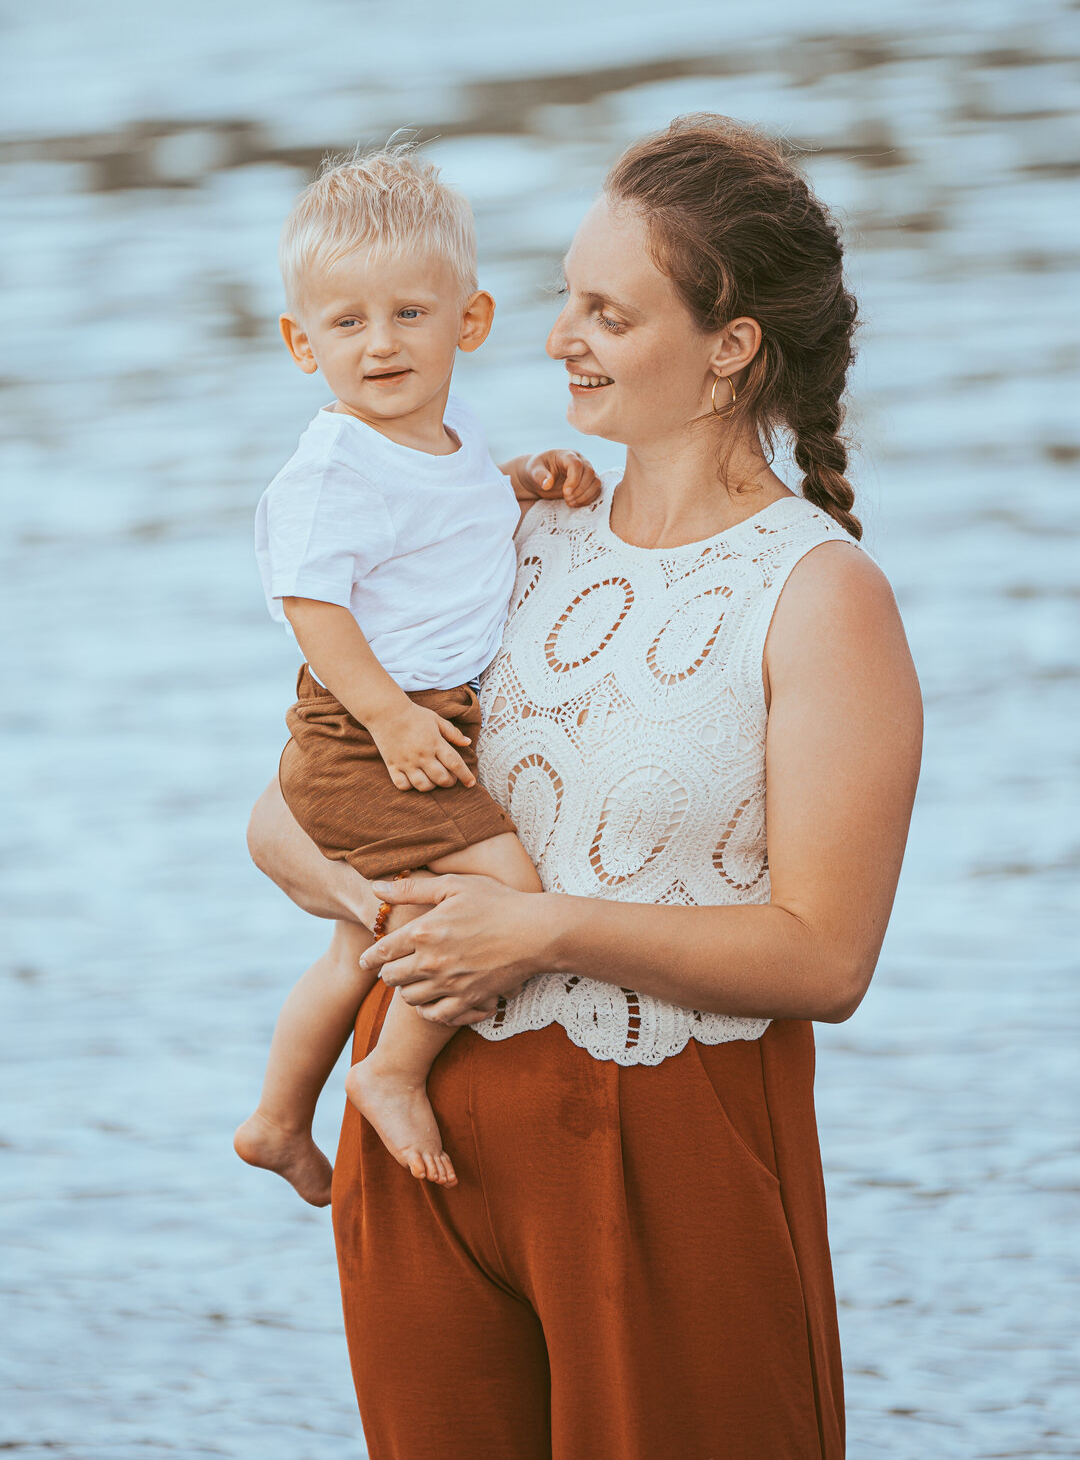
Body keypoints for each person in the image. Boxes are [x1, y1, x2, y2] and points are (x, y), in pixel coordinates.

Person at [247, 116, 923, 1460]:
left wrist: (544, 928)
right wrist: (352, 894)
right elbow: (284, 805)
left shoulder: (818, 596)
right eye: (565, 294)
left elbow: (828, 960)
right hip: (420, 1142)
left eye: (607, 312)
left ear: (730, 347)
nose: (558, 335)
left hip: (662, 1160)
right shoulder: (503, 527)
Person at [234, 147, 601, 1205]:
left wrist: (522, 481)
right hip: (366, 730)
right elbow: (315, 610)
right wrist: (392, 719)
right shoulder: (330, 472)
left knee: (360, 942)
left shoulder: (442, 435)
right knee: (509, 891)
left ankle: (274, 1118)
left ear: (469, 322)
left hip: (404, 718)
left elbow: (443, 520)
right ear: (304, 343)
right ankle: (391, 1070)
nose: (381, 343)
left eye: (409, 314)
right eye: (346, 323)